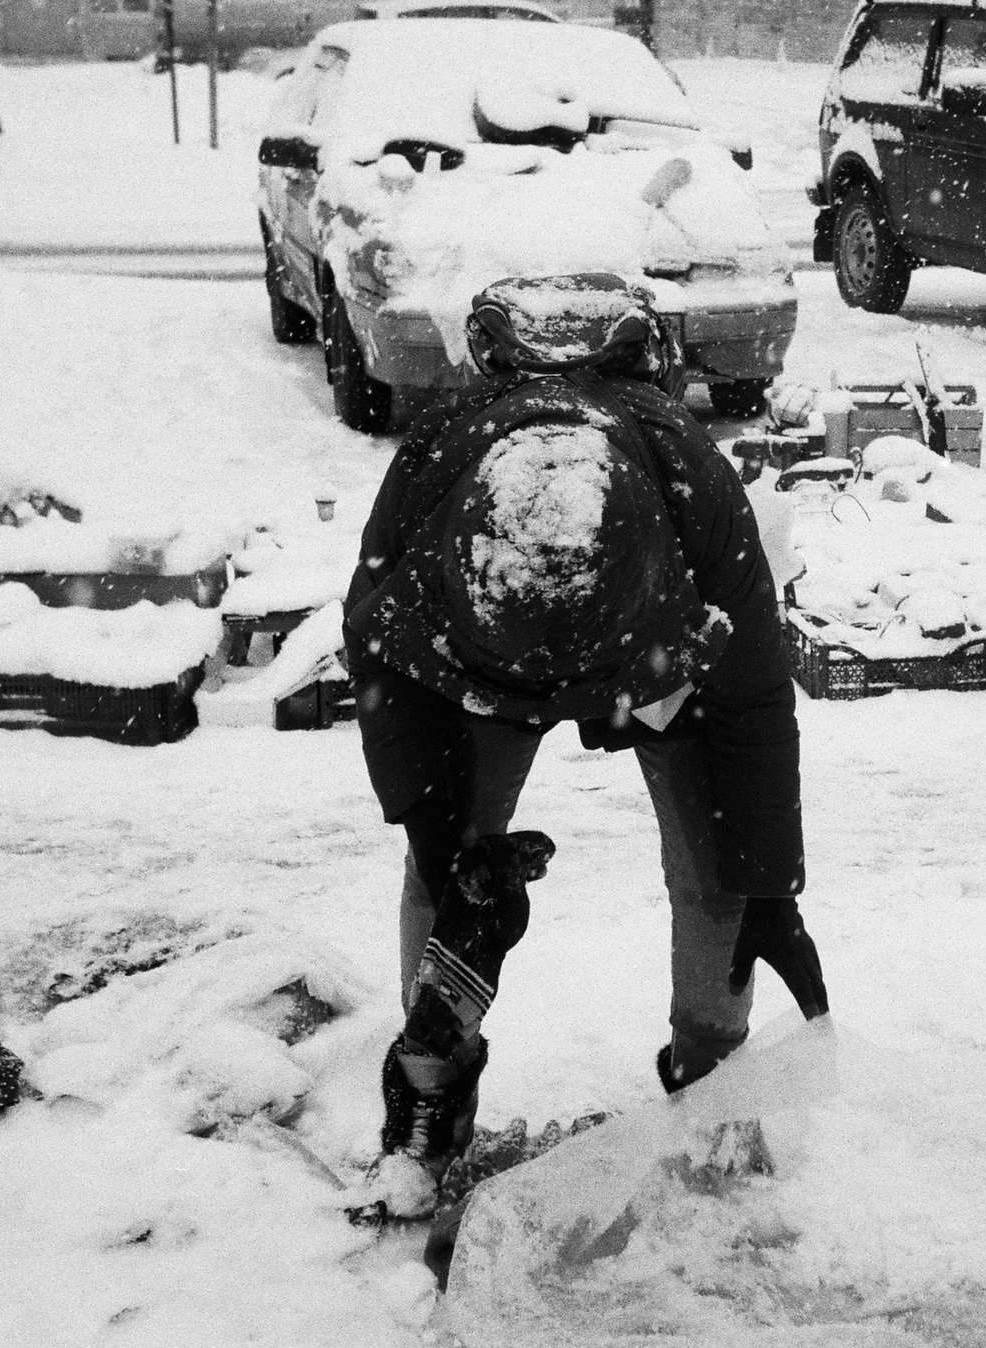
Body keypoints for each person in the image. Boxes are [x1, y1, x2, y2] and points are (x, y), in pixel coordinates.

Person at [342, 273, 825, 1221]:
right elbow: (381, 670)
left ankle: (714, 1092)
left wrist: (768, 886)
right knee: (452, 883)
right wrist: (441, 840)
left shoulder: (693, 493)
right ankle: (429, 1096)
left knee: (716, 863)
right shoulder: (439, 482)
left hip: (640, 649)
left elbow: (754, 701)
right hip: (493, 653)